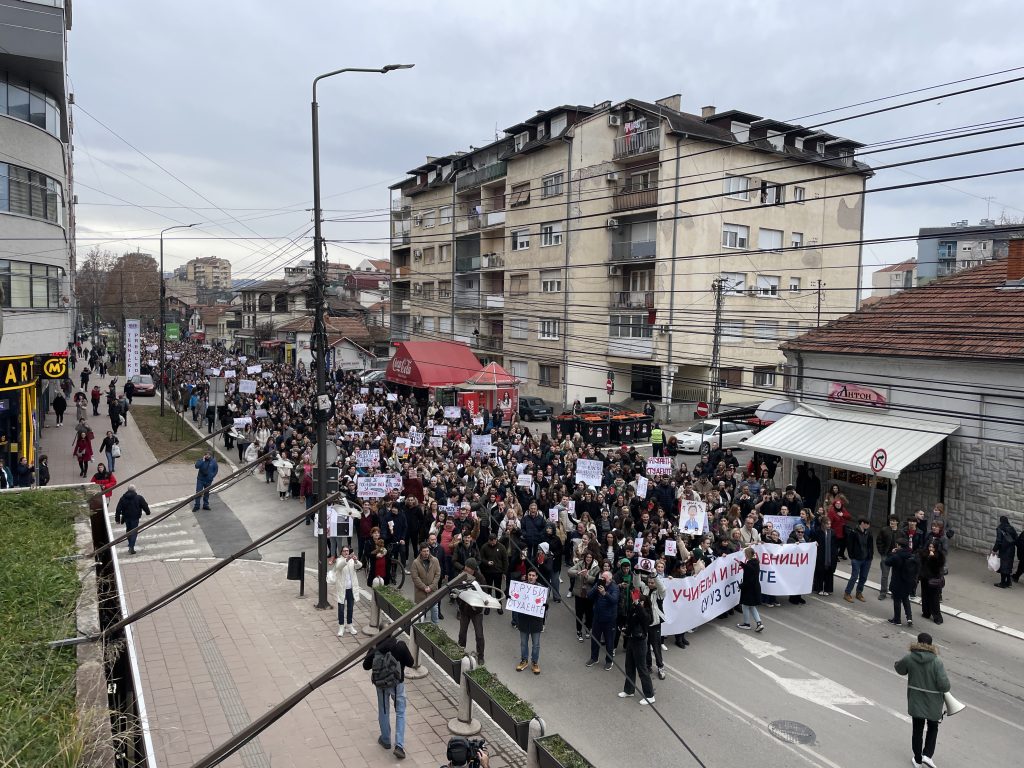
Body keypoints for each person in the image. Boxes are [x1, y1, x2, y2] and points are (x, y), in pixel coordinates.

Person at [894, 632, 950, 768]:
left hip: (916, 700)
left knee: (917, 730)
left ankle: (918, 759)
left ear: (918, 643)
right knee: (933, 727)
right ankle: (927, 755)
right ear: (931, 645)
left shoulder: (910, 658)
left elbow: (900, 669)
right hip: (933, 702)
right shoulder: (937, 661)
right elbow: (944, 685)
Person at [362, 635, 414, 760]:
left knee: (384, 710)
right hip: (397, 683)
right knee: (400, 712)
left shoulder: (375, 646)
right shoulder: (400, 645)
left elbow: (366, 665)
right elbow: (411, 663)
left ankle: (385, 739)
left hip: (380, 684)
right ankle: (399, 746)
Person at [618, 586, 656, 705]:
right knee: (629, 666)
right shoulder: (635, 609)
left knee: (642, 669)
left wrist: (637, 604)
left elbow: (645, 619)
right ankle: (629, 690)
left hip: (640, 643)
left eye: (639, 600)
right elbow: (630, 622)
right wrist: (625, 629)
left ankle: (650, 695)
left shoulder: (647, 613)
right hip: (631, 640)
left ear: (644, 602)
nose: (635, 601)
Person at [586, 570, 619, 670]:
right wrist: (596, 588)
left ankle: (609, 661)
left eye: (605, 578)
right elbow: (589, 596)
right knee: (595, 639)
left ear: (610, 578)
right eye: (602, 577)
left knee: (609, 641)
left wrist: (605, 593)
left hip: (609, 620)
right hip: (597, 618)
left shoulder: (615, 587)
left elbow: (614, 600)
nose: (603, 580)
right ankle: (594, 658)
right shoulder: (598, 585)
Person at [514, 567, 545, 675]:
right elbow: (514, 597)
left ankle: (535, 662)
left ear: (536, 577)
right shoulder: (521, 586)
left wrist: (543, 604)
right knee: (523, 643)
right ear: (527, 576)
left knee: (536, 644)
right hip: (523, 620)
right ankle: (524, 661)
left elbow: (546, 606)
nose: (531, 577)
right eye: (530, 575)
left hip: (536, 621)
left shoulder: (541, 589)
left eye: (533, 575)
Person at [457, 558, 486, 664]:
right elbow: (457, 590)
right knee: (462, 633)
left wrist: (477, 606)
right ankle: (460, 650)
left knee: (479, 635)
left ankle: (481, 655)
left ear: (473, 569)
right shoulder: (462, 575)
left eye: (468, 567)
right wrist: (460, 605)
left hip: (476, 612)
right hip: (464, 610)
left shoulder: (480, 578)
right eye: (466, 566)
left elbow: (484, 594)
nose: (466, 568)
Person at [328, 546, 362, 636]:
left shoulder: (351, 560)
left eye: (347, 551)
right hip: (342, 589)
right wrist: (347, 560)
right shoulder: (339, 560)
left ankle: (350, 625)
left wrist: (355, 560)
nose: (346, 552)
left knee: (350, 608)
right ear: (341, 552)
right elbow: (339, 566)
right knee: (341, 609)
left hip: (351, 589)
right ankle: (341, 627)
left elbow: (359, 566)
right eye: (344, 551)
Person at [886, 537, 920, 626]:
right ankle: (909, 618)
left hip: (897, 582)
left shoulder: (897, 556)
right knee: (905, 599)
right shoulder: (911, 555)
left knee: (897, 600)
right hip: (908, 582)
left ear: (899, 546)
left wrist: (892, 553)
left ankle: (897, 620)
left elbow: (887, 562)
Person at [842, 518, 874, 603]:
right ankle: (847, 593)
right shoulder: (854, 532)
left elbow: (871, 546)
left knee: (863, 577)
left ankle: (859, 593)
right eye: (867, 524)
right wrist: (852, 556)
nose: (869, 525)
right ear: (862, 523)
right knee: (854, 576)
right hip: (857, 559)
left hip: (867, 559)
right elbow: (849, 545)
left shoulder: (869, 533)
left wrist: (870, 556)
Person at [115, 484, 152, 555]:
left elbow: (118, 509)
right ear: (135, 490)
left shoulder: (123, 498)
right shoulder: (139, 498)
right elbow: (145, 505)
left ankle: (130, 543)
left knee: (128, 530)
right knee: (134, 532)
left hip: (126, 517)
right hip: (135, 518)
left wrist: (117, 519)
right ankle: (131, 547)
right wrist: (148, 512)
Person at [411, 543, 441, 624]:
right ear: (420, 551)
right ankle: (420, 629)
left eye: (428, 551)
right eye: (424, 551)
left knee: (434, 610)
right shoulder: (415, 563)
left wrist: (431, 587)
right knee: (420, 613)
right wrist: (424, 587)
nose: (426, 553)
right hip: (420, 593)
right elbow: (415, 578)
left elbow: (437, 575)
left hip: (432, 591)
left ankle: (435, 627)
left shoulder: (435, 560)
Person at [737, 546, 764, 632]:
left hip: (749, 589)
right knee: (752, 606)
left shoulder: (749, 564)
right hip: (755, 588)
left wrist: (741, 586)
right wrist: (742, 564)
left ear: (747, 554)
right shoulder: (755, 563)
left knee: (745, 606)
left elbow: (749, 579)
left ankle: (746, 624)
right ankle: (759, 623)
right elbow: (750, 569)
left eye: (745, 554)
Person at [918, 540, 945, 625]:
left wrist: (933, 558)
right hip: (925, 579)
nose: (930, 549)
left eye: (932, 547)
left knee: (934, 599)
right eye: (929, 547)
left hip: (933, 580)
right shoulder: (924, 554)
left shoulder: (939, 556)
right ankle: (926, 612)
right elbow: (921, 564)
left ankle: (937, 617)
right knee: (925, 596)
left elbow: (937, 568)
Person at [812, 515, 837, 596]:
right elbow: (813, 541)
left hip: (830, 555)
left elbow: (835, 544)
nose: (829, 526)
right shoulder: (818, 531)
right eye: (827, 524)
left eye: (830, 524)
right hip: (821, 554)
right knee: (820, 572)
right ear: (823, 524)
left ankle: (827, 589)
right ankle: (818, 588)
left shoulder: (832, 532)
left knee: (829, 572)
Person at [876, 515, 900, 600]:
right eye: (891, 520)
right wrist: (882, 552)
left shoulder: (900, 532)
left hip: (896, 557)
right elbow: (879, 541)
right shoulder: (884, 530)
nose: (892, 522)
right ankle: (883, 592)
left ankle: (894, 592)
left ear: (897, 522)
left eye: (894, 521)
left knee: (895, 576)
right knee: (884, 575)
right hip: (886, 555)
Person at [992, 515, 1018, 588]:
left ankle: (1003, 583)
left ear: (1001, 521)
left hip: (1004, 549)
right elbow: (1016, 539)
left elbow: (998, 541)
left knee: (1003, 566)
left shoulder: (1000, 528)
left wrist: (994, 550)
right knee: (1008, 566)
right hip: (1012, 549)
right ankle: (1008, 581)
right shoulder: (1012, 528)